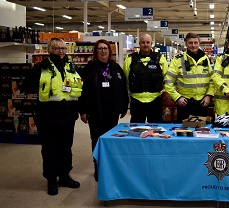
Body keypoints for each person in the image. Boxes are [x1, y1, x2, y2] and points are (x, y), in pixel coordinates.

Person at [22, 38, 82, 195]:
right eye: (57, 48)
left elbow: (79, 89)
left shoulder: (72, 67)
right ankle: (51, 179)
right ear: (50, 50)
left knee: (66, 148)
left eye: (63, 48)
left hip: (68, 116)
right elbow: (26, 87)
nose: (61, 51)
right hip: (47, 116)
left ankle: (64, 176)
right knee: (49, 149)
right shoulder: (41, 67)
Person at [78, 39, 129, 181]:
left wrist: (123, 106)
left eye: (105, 48)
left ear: (109, 51)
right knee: (96, 139)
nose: (103, 51)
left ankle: (109, 167)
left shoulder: (116, 68)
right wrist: (82, 111)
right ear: (96, 52)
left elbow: (123, 89)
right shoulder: (88, 69)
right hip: (94, 112)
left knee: (111, 140)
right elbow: (81, 91)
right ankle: (98, 166)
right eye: (100, 48)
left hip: (112, 112)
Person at [164, 32, 214, 122]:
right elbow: (168, 81)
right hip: (185, 104)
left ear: (199, 43)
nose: (193, 45)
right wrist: (177, 97)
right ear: (186, 44)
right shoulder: (178, 60)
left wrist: (208, 95)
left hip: (202, 103)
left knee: (202, 132)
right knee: (184, 132)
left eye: (195, 42)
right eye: (190, 43)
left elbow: (212, 80)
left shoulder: (205, 59)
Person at [123, 34, 168, 123]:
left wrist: (165, 90)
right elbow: (126, 78)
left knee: (156, 129)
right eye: (143, 42)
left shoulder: (160, 58)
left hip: (155, 100)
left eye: (148, 42)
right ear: (139, 44)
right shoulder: (130, 59)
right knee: (136, 130)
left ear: (151, 44)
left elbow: (166, 76)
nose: (145, 44)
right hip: (136, 100)